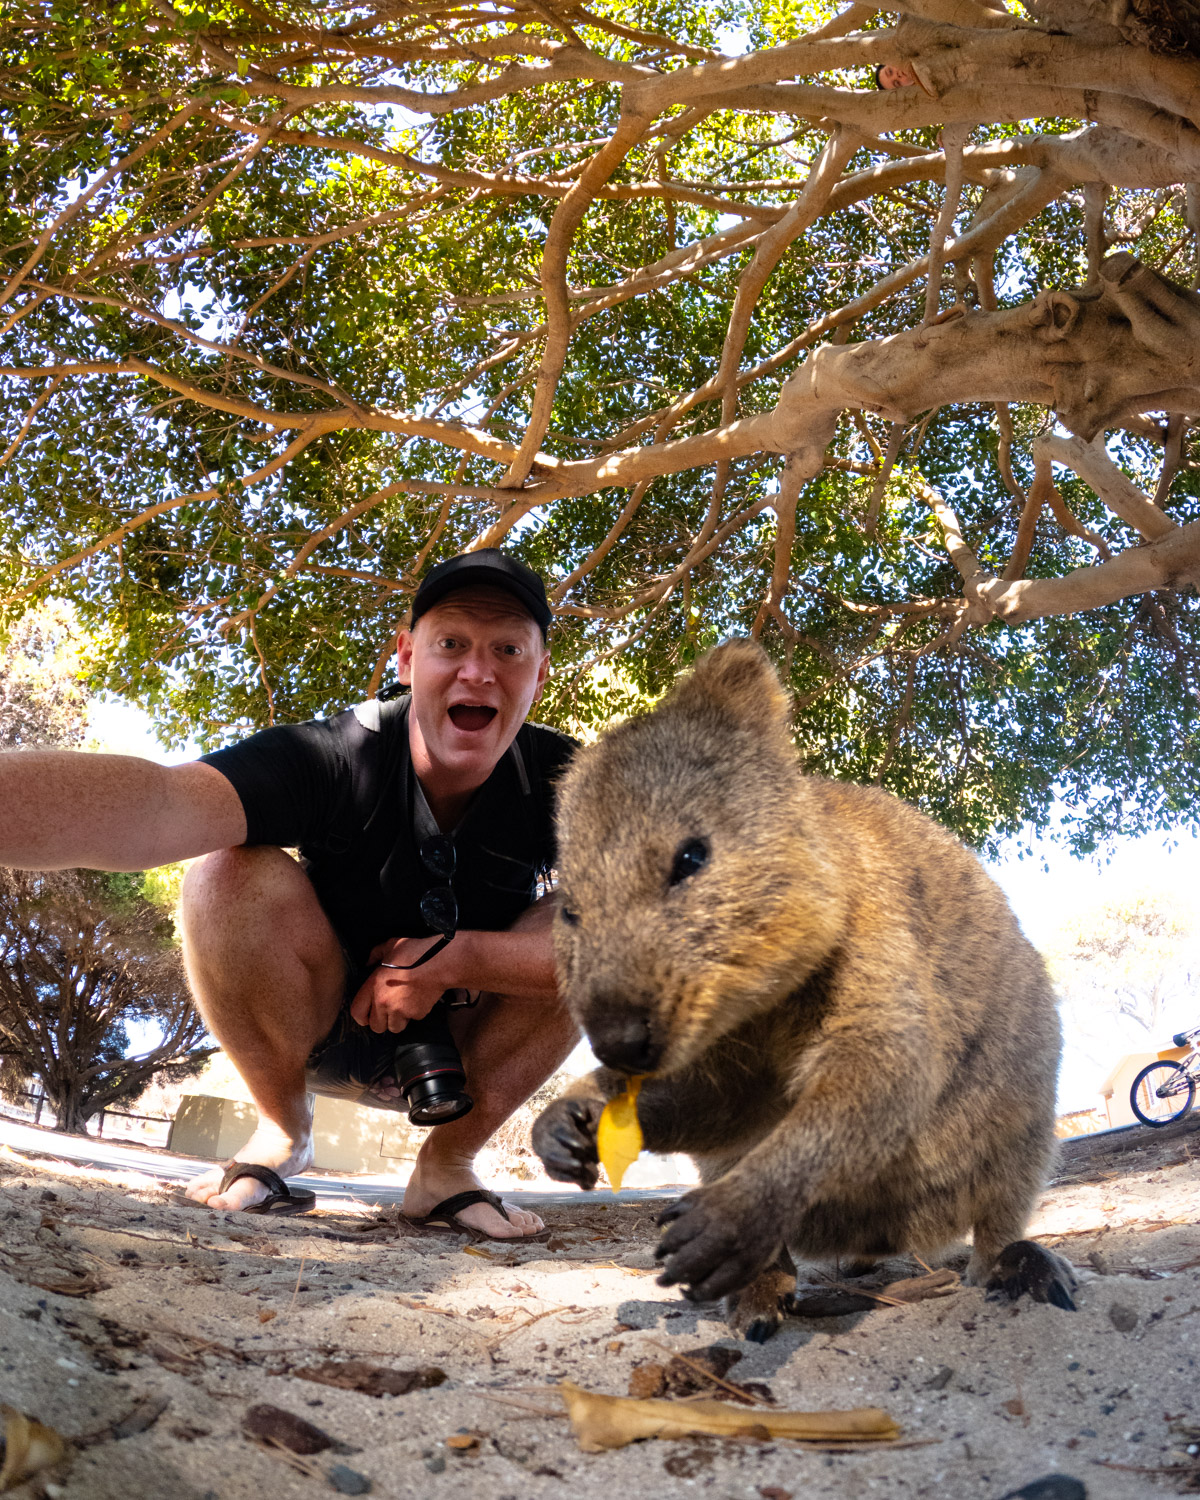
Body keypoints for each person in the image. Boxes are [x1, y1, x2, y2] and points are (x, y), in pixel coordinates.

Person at [0, 549, 580, 1239]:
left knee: (610, 916)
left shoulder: (572, 780)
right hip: (314, 1027)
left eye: (508, 649)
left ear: (539, 675)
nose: (477, 670)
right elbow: (158, 804)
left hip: (462, 1049)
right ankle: (281, 1129)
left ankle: (448, 1166)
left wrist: (455, 960)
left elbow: (666, 945)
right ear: (406, 658)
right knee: (226, 872)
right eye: (450, 643)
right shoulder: (336, 753)